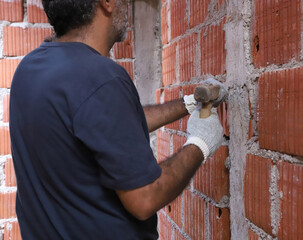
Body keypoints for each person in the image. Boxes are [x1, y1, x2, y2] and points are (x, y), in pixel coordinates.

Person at [9, 0, 226, 239]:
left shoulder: (30, 68)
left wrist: (187, 103)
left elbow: (108, 125)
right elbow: (145, 197)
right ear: (108, 3)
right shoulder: (101, 78)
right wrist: (200, 143)